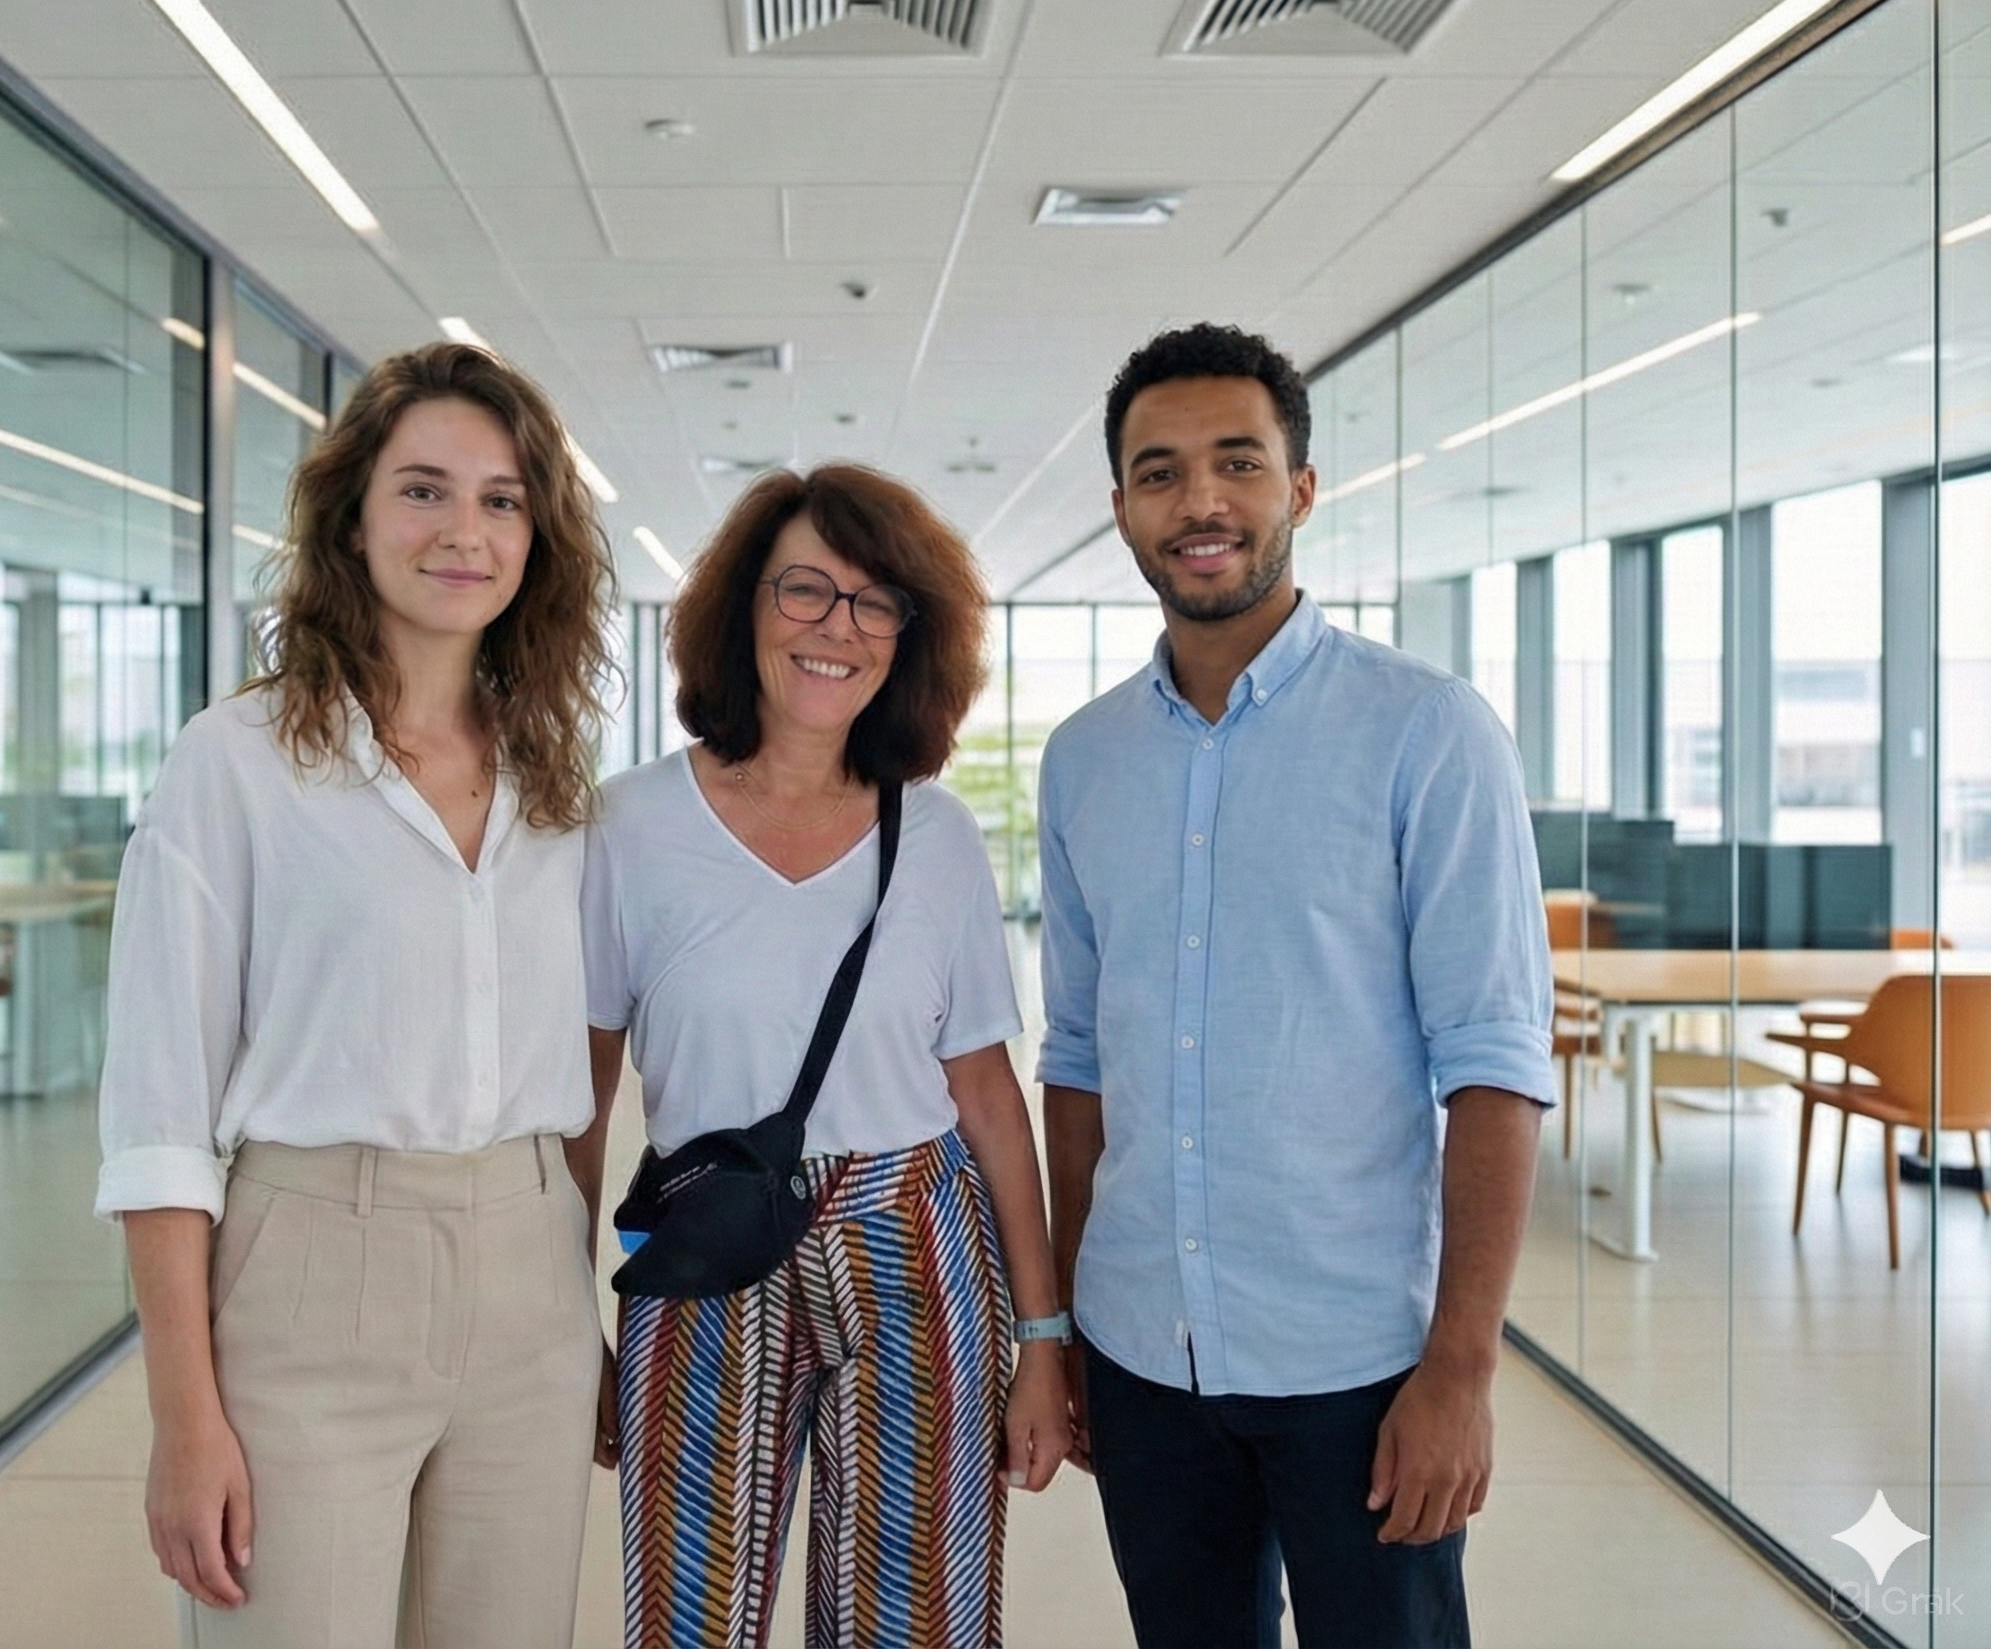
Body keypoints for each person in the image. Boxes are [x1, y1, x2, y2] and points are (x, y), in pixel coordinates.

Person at [1037, 324, 1556, 1648]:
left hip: (1360, 1362)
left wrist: (1462, 1368)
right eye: (1160, 473)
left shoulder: (1427, 731)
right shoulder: (1085, 759)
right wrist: (1075, 1324)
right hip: (1144, 1349)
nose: (1200, 502)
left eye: (1238, 463)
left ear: (1302, 489)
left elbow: (1495, 1064)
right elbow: (1079, 1060)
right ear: (1121, 508)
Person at [94, 341, 616, 1648]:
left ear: (537, 538)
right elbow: (158, 1116)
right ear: (352, 518)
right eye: (423, 489)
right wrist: (182, 1415)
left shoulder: (555, 776)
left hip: (530, 1276)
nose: (464, 531)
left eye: (502, 500)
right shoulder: (237, 763)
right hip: (313, 1268)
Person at [579, 464, 1072, 1649]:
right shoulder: (628, 823)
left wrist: (1043, 1337)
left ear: (911, 635)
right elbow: (581, 1102)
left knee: (916, 1620)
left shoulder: (938, 834)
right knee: (690, 1615)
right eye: (805, 588)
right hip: (702, 1238)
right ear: (743, 607)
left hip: (917, 1238)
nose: (837, 627)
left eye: (874, 601)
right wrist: (566, 1323)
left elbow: (988, 1097)